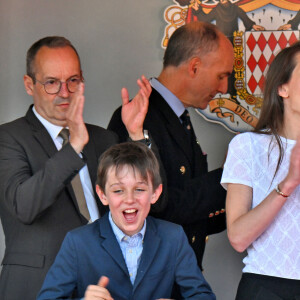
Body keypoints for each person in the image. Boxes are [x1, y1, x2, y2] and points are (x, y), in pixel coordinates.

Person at [0, 36, 154, 300]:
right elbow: (23, 206)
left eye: (73, 81)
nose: (64, 92)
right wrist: (73, 148)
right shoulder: (8, 137)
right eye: (51, 83)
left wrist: (136, 134)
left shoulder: (104, 138)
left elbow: (148, 199)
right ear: (29, 85)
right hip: (37, 286)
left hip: (103, 284)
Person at [108, 21, 234, 270]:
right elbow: (157, 206)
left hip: (182, 278)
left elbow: (193, 212)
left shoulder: (179, 117)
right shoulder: (136, 118)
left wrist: (245, 199)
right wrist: (231, 177)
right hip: (151, 282)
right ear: (195, 67)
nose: (223, 88)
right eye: (221, 76)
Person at [37, 142, 216, 300]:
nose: (129, 199)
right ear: (102, 195)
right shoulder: (78, 242)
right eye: (118, 191)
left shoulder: (173, 237)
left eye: (139, 189)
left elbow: (202, 295)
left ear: (155, 193)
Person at [222, 41, 300, 299]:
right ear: (282, 88)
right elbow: (238, 237)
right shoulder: (248, 146)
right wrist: (288, 183)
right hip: (267, 287)